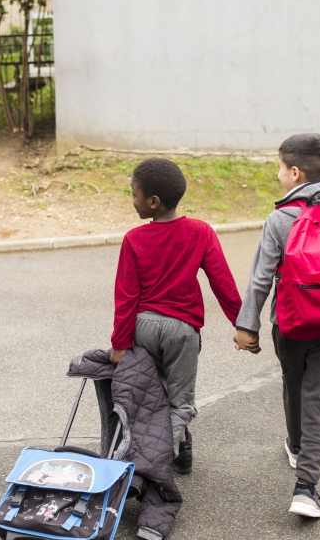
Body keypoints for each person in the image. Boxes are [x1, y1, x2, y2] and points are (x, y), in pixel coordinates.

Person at [234, 133, 320, 518]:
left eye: (280, 168)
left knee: (294, 384)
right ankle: (307, 489)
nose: (279, 174)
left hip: (291, 325)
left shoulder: (280, 218)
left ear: (294, 173)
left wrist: (247, 325)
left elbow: (261, 278)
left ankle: (297, 448)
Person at [110, 158, 243, 475]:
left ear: (152, 202)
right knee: (179, 401)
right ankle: (161, 461)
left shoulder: (134, 239)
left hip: (143, 326)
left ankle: (160, 458)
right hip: (182, 331)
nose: (132, 201)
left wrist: (119, 343)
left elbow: (126, 295)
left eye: (134, 194)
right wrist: (243, 324)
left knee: (152, 398)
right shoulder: (200, 232)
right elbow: (221, 281)